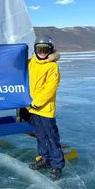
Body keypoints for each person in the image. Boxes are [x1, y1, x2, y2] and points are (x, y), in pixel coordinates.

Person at [25, 36, 65, 181]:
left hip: (45, 109)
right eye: (39, 49)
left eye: (45, 50)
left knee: (52, 137)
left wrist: (36, 102)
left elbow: (50, 88)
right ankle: (45, 158)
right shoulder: (31, 63)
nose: (42, 52)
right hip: (33, 108)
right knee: (40, 136)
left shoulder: (52, 66)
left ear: (50, 50)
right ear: (35, 50)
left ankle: (57, 164)